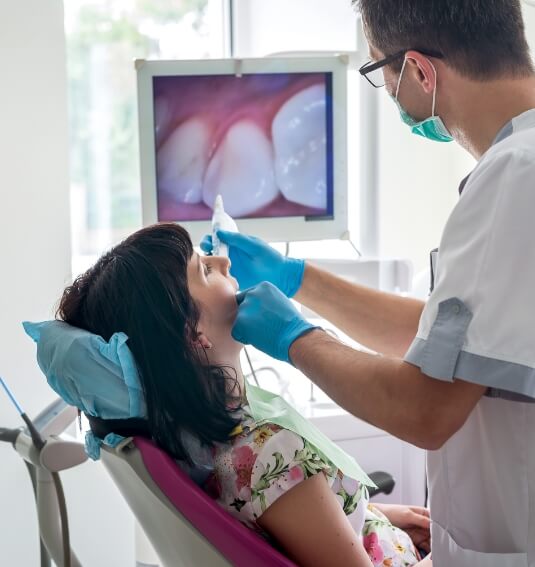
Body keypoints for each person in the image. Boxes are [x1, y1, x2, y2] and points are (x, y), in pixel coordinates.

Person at [201, 1, 535, 565]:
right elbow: (454, 343)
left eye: (380, 72)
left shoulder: (515, 177)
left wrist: (296, 338)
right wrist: (297, 279)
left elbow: (426, 410)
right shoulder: (518, 167)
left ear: (421, 72)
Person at [56, 223, 431, 567]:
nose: (223, 260)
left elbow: (293, 523)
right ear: (192, 333)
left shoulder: (208, 445)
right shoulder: (269, 453)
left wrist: (372, 517)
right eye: (204, 269)